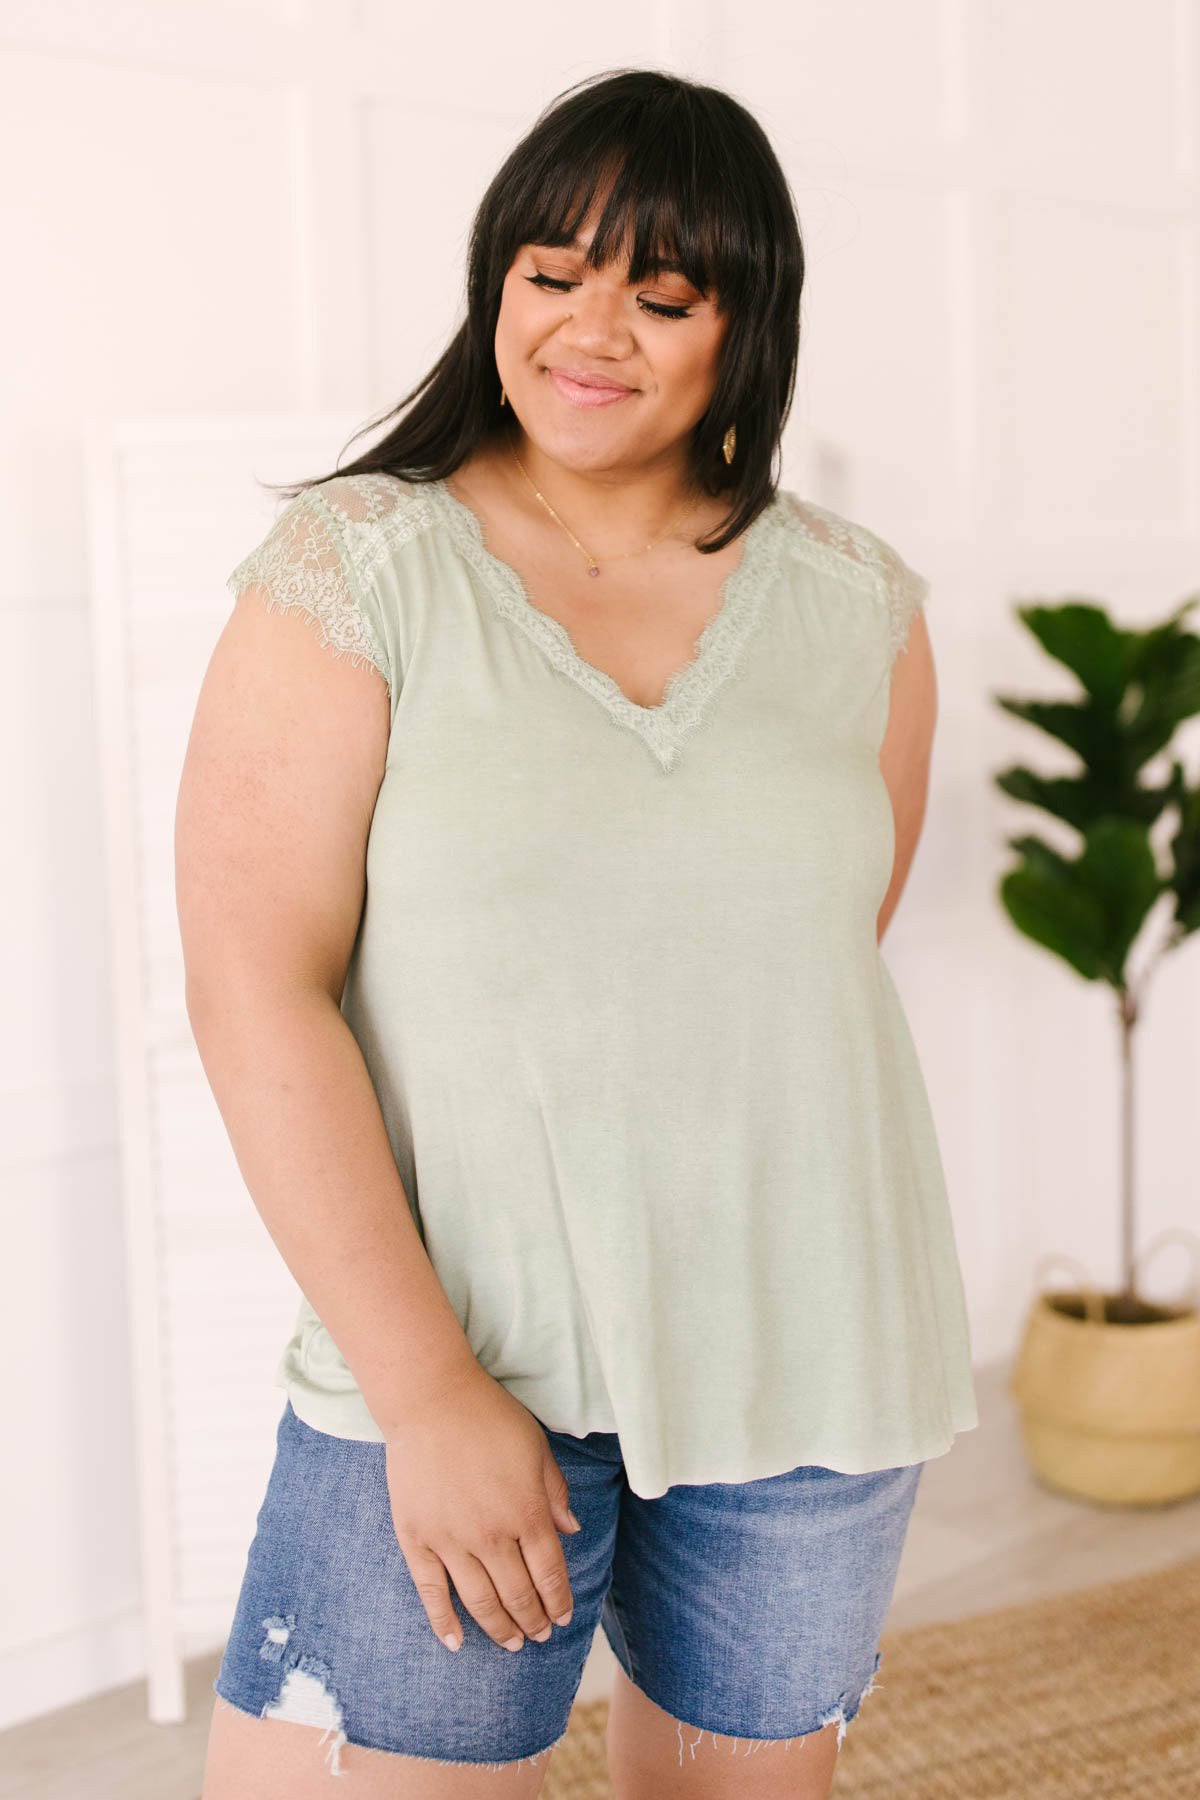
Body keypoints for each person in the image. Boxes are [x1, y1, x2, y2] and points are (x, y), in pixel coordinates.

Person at [180, 65, 977, 1800]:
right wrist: (428, 1392)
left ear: (741, 328)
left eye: (662, 292)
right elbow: (257, 987)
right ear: (495, 290)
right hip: (467, 1361)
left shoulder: (862, 610)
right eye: (552, 273)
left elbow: (815, 957)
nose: (591, 328)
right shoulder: (358, 565)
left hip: (810, 1363)